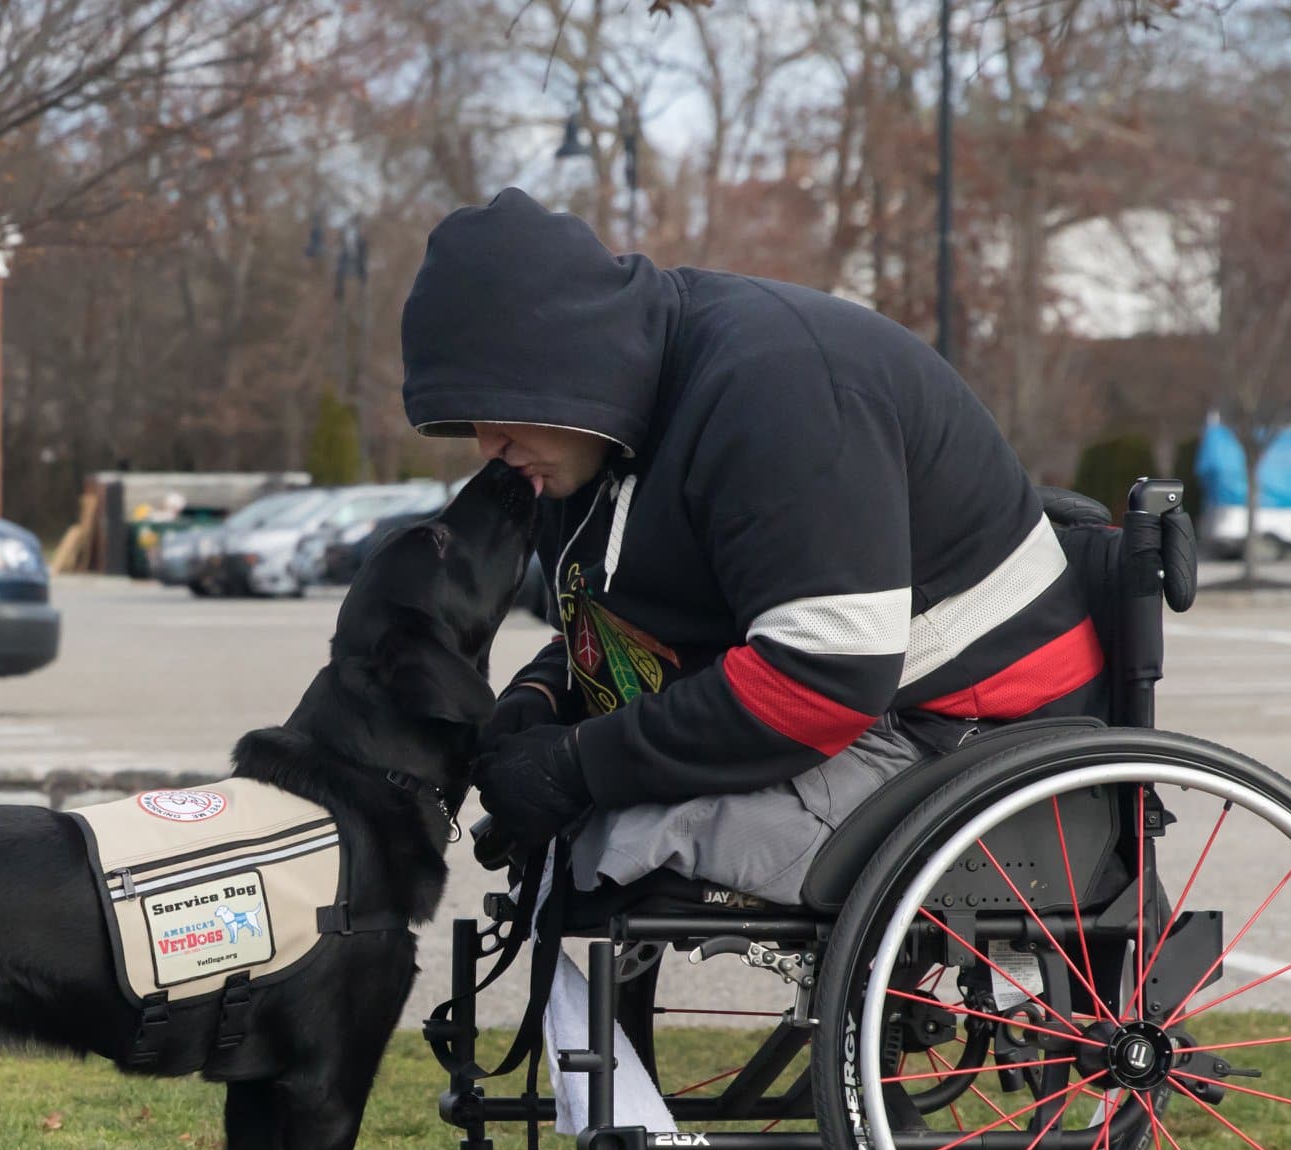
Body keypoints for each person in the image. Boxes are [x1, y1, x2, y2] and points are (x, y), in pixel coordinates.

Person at [397, 187, 1108, 903]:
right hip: (872, 701)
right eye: (467, 420)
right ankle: (573, 1019)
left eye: (497, 410)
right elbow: (635, 634)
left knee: (625, 841)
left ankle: (583, 1014)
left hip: (969, 733)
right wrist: (541, 703)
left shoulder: (781, 393)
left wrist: (577, 766)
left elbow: (819, 679)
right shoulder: (591, 435)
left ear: (565, 369)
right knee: (583, 830)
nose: (488, 445)